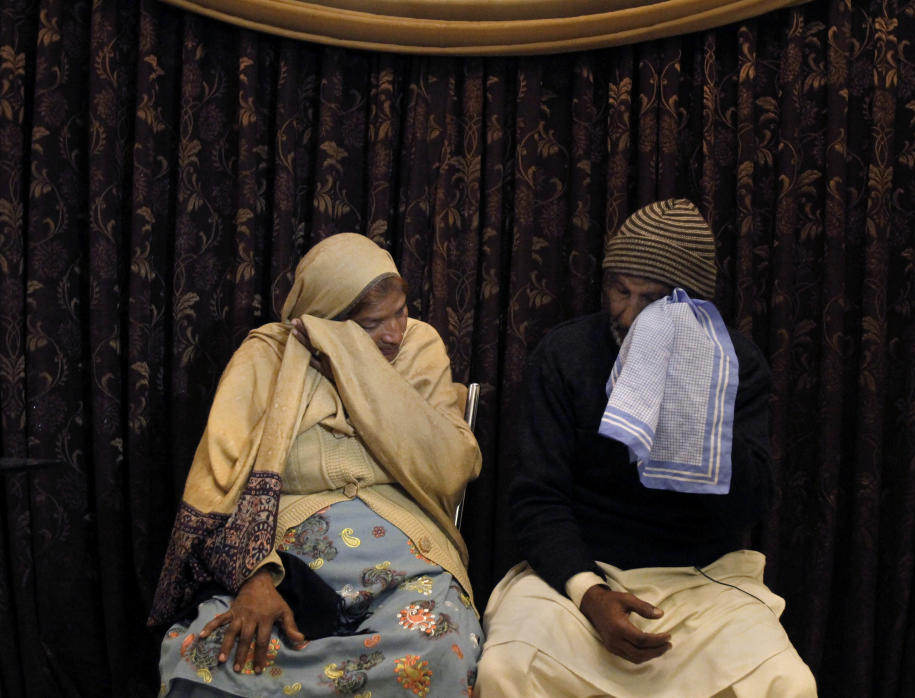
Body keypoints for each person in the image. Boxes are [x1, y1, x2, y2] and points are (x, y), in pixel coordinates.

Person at [475, 199, 816, 697]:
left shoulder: (734, 364)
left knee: (787, 683)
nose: (628, 313)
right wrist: (590, 594)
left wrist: (694, 400)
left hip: (701, 581)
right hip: (578, 577)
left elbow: (752, 505)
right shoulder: (565, 354)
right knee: (506, 670)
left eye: (650, 299)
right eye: (619, 289)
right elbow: (537, 500)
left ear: (687, 304)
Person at [149, 233, 483, 697]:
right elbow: (218, 483)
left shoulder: (418, 346)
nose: (394, 333)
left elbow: (451, 466)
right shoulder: (267, 354)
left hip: (409, 554)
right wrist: (256, 577)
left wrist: (352, 360)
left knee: (439, 648)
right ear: (326, 318)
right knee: (208, 652)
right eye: (370, 324)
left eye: (401, 311)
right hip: (288, 563)